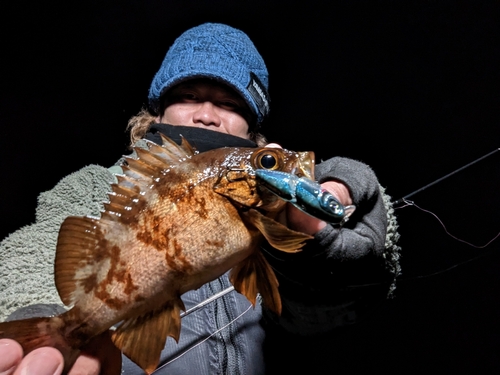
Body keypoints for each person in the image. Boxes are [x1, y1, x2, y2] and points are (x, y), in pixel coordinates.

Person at [0, 23, 401, 374]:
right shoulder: (93, 185)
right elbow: (31, 255)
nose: (207, 114)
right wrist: (36, 314)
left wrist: (332, 228)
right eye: (189, 96)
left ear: (253, 127)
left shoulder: (272, 202)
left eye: (229, 103)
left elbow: (320, 315)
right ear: (156, 114)